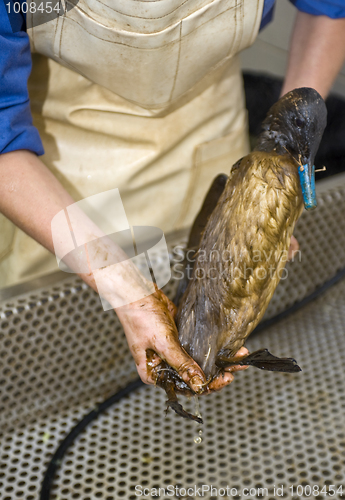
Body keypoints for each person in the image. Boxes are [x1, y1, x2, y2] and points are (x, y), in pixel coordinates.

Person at [1, 1, 345, 395]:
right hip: (54, 171)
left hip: (210, 131)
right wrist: (127, 293)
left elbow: (329, 7)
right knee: (60, 372)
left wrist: (276, 181)